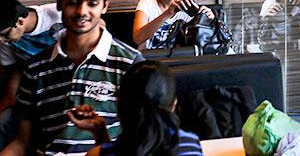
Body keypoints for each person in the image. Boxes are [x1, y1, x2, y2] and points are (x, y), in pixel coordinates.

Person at [0, 0, 143, 156]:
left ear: (105, 6)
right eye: (73, 2)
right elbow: (22, 143)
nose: (82, 12)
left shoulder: (130, 63)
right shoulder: (36, 68)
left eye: (92, 3)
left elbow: (144, 139)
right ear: (59, 2)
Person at [0, 0, 64, 151]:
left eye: (4, 35)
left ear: (20, 22)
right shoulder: (7, 39)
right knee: (1, 123)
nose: (1, 40)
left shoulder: (58, 15)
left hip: (65, 89)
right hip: (34, 92)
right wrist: (9, 96)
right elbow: (15, 68)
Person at [68, 60, 203, 156]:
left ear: (119, 103)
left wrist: (100, 133)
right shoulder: (190, 145)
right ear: (174, 104)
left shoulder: (99, 153)